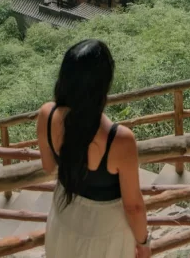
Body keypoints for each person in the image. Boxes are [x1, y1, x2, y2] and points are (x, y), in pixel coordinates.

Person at [37, 40, 150, 258]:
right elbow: (133, 206)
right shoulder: (119, 140)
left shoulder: (46, 114)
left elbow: (48, 165)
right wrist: (144, 243)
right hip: (106, 232)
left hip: (64, 218)